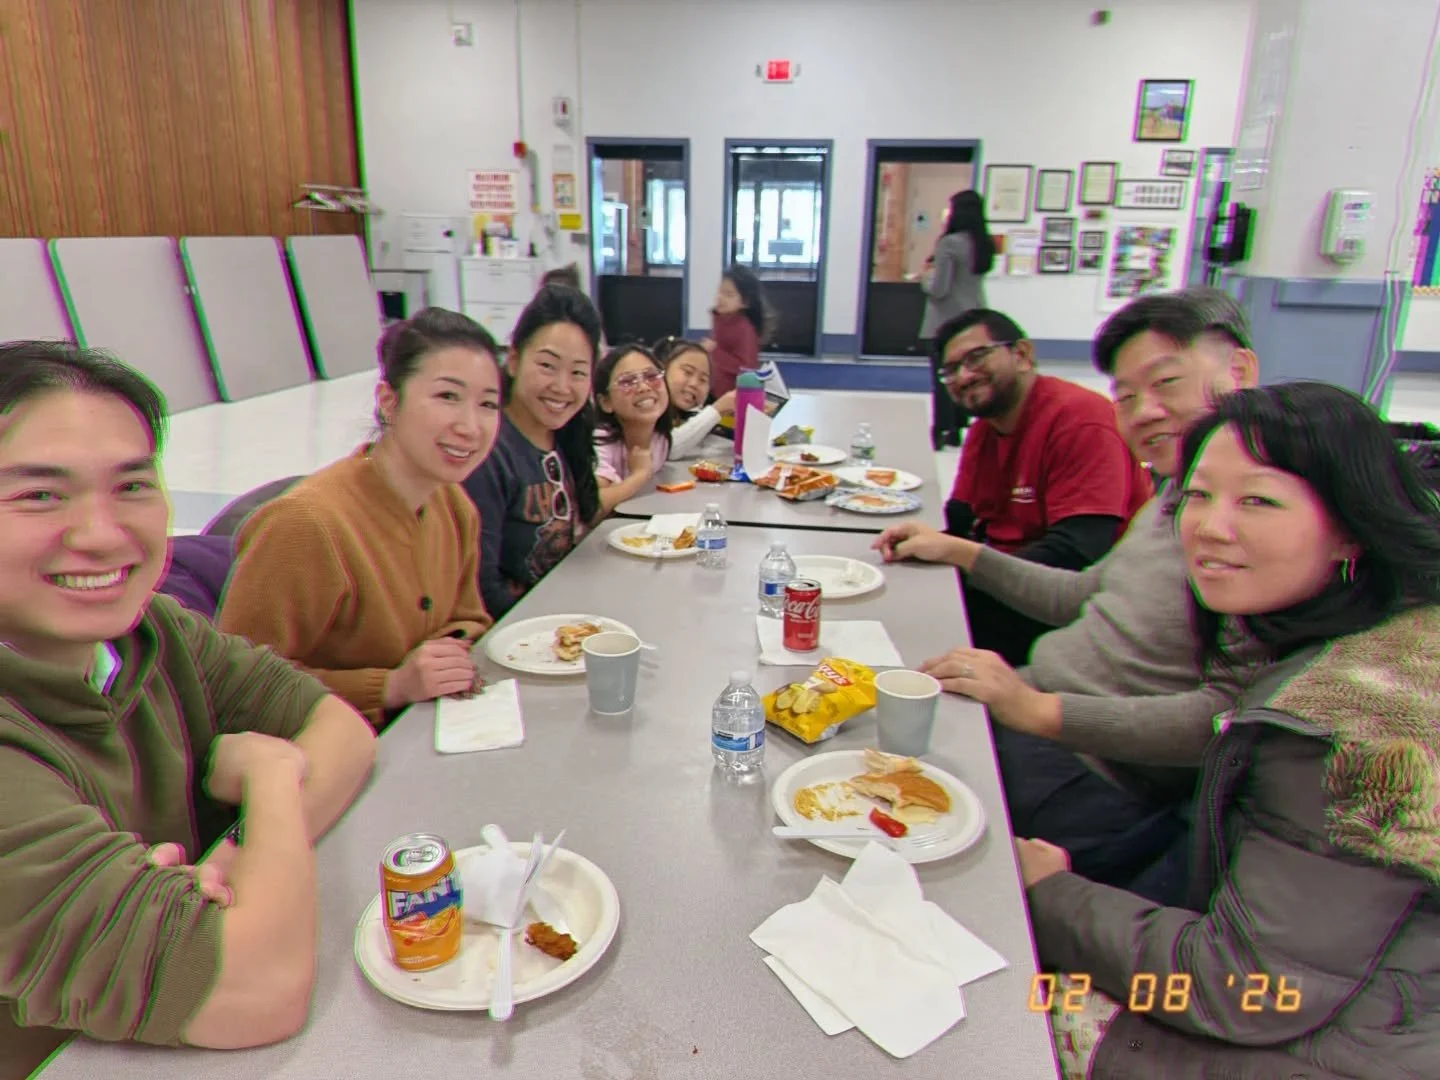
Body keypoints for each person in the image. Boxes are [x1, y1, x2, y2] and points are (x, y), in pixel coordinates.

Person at [1025, 381, 1440, 1080]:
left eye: (1258, 500)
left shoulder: (1344, 729)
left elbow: (1246, 988)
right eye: (1198, 496)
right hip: (1356, 998)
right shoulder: (1390, 630)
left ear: (1351, 526)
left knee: (1006, 1000)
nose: (1210, 528)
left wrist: (1049, 896)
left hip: (1334, 1045)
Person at [0, 342, 376, 1074]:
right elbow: (254, 991)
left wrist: (239, 863)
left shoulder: (151, 633)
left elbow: (342, 734)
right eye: (40, 494)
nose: (102, 533)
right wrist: (269, 779)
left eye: (133, 486)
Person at [875, 288, 1262, 904]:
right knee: (879, 726)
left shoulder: (1258, 520)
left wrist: (1036, 711)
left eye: (1166, 383)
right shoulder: (1174, 495)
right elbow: (1087, 593)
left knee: (888, 822)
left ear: (1239, 372)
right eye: (1127, 396)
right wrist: (963, 552)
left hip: (1088, 766)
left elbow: (1228, 718)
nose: (1144, 412)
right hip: (1038, 704)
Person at [216, 308, 497, 730]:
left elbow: (469, 618)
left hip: (420, 734)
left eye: (488, 404)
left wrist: (448, 654)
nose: (471, 427)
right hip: (317, 761)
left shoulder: (453, 505)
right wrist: (389, 687)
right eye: (447, 397)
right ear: (389, 401)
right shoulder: (307, 524)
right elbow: (235, 685)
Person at [931, 307, 1152, 665]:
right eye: (951, 370)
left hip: (1076, 605)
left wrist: (969, 571)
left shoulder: (1082, 420)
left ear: (1022, 355)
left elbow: (1079, 553)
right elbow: (961, 518)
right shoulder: (987, 428)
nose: (964, 376)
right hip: (1013, 580)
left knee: (928, 634)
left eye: (976, 357)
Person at [462, 284, 602, 618]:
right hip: (517, 635)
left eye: (578, 372)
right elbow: (481, 588)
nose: (562, 386)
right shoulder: (490, 453)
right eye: (547, 366)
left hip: (559, 614)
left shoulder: (566, 436)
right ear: (513, 360)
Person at [920, 190, 995, 449]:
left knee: (944, 378)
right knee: (967, 375)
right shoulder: (983, 244)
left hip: (945, 323)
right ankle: (959, 428)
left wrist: (925, 277)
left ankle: (942, 428)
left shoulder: (950, 243)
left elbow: (939, 288)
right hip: (974, 321)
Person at [592, 344, 673, 513]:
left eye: (651, 376)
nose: (644, 387)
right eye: (627, 381)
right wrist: (639, 475)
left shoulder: (661, 439)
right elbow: (592, 510)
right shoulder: (600, 442)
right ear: (606, 402)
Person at [655, 335, 736, 460]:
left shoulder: (685, 414)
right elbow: (666, 449)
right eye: (687, 372)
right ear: (662, 369)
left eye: (703, 379)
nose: (694, 384)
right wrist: (717, 410)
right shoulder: (646, 408)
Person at [704, 264, 772, 398]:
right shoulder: (720, 319)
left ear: (745, 302)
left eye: (728, 294)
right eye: (720, 292)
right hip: (716, 391)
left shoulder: (744, 329)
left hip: (733, 398)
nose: (720, 297)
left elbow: (747, 368)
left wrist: (714, 351)